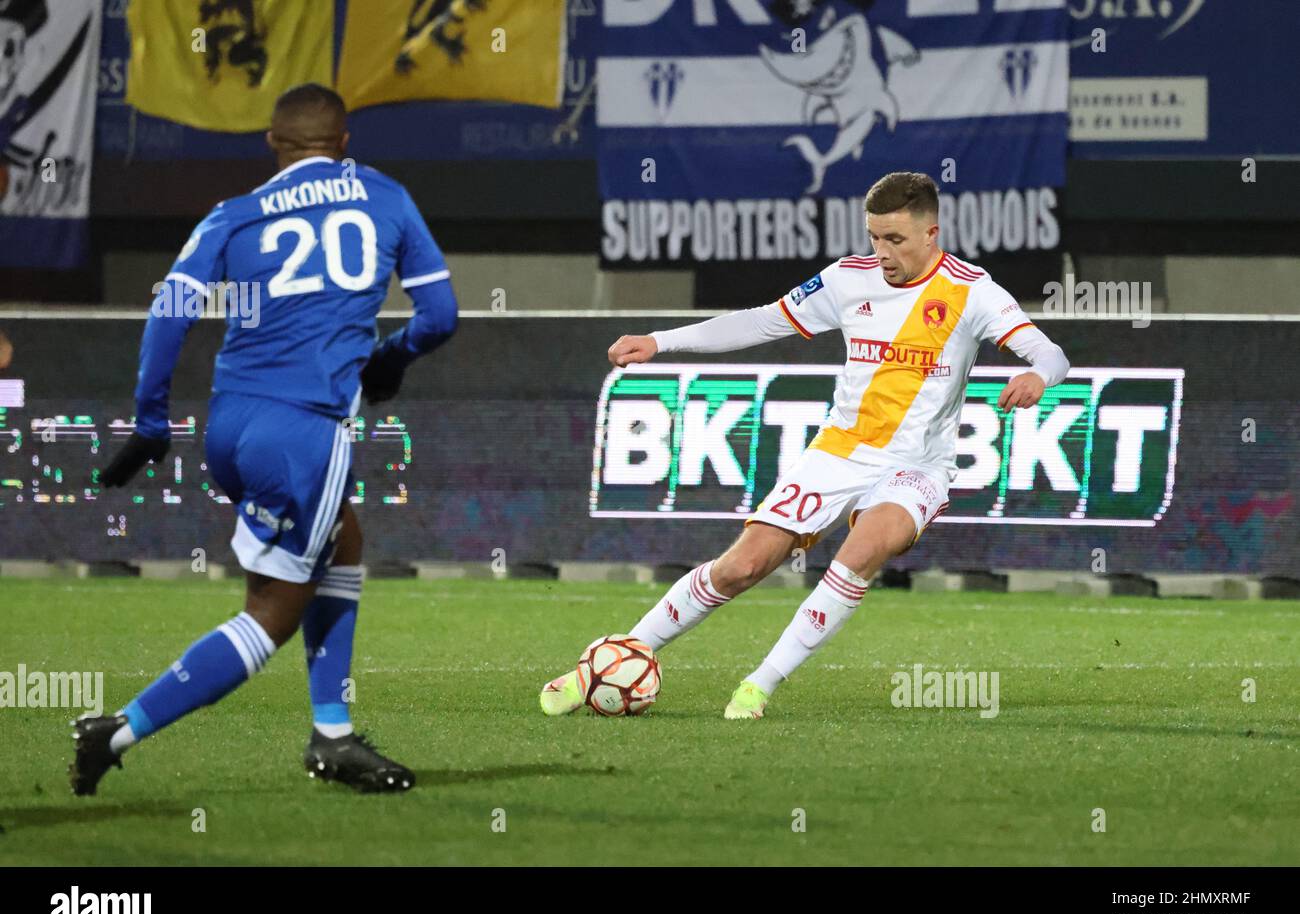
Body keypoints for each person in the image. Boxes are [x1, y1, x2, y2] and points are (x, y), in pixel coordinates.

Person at [540, 171, 1069, 719]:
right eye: (873, 238)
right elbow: (763, 322)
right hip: (837, 453)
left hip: (916, 467)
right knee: (741, 567)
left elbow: (1051, 354)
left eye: (896, 240)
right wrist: (660, 341)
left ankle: (759, 684)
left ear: (931, 233)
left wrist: (1037, 378)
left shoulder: (972, 290)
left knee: (864, 547)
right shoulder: (846, 280)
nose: (882, 252)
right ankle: (612, 661)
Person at [70, 83, 458, 794]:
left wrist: (152, 422)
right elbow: (440, 315)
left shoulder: (234, 214)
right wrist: (388, 360)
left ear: (272, 145)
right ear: (343, 143)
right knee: (272, 613)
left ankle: (333, 733)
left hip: (232, 425)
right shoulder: (385, 197)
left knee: (344, 537)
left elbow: (169, 314)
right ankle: (117, 731)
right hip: (304, 432)